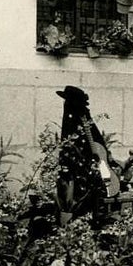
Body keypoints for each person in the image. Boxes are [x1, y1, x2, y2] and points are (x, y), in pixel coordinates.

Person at [56, 85, 119, 221]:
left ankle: (94, 216)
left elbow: (96, 139)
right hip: (76, 165)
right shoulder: (70, 118)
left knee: (92, 189)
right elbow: (67, 141)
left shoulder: (82, 116)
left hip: (88, 165)